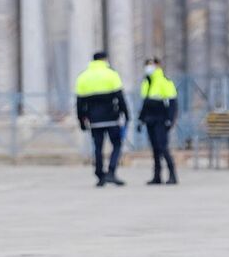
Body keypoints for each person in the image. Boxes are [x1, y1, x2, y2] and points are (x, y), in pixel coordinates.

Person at [74, 50, 130, 188]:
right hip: (112, 117)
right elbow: (120, 96)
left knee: (97, 147)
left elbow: (80, 103)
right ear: (105, 59)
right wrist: (126, 113)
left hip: (94, 120)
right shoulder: (111, 74)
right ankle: (111, 171)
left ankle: (100, 174)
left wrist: (81, 120)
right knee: (116, 144)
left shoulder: (83, 77)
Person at [138, 57, 180, 185]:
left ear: (158, 66)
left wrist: (170, 120)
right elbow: (145, 103)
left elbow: (172, 103)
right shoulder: (146, 82)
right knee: (155, 148)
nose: (149, 68)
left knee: (163, 147)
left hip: (161, 120)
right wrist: (140, 120)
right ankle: (157, 176)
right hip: (150, 120)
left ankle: (172, 174)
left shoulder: (164, 81)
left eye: (151, 65)